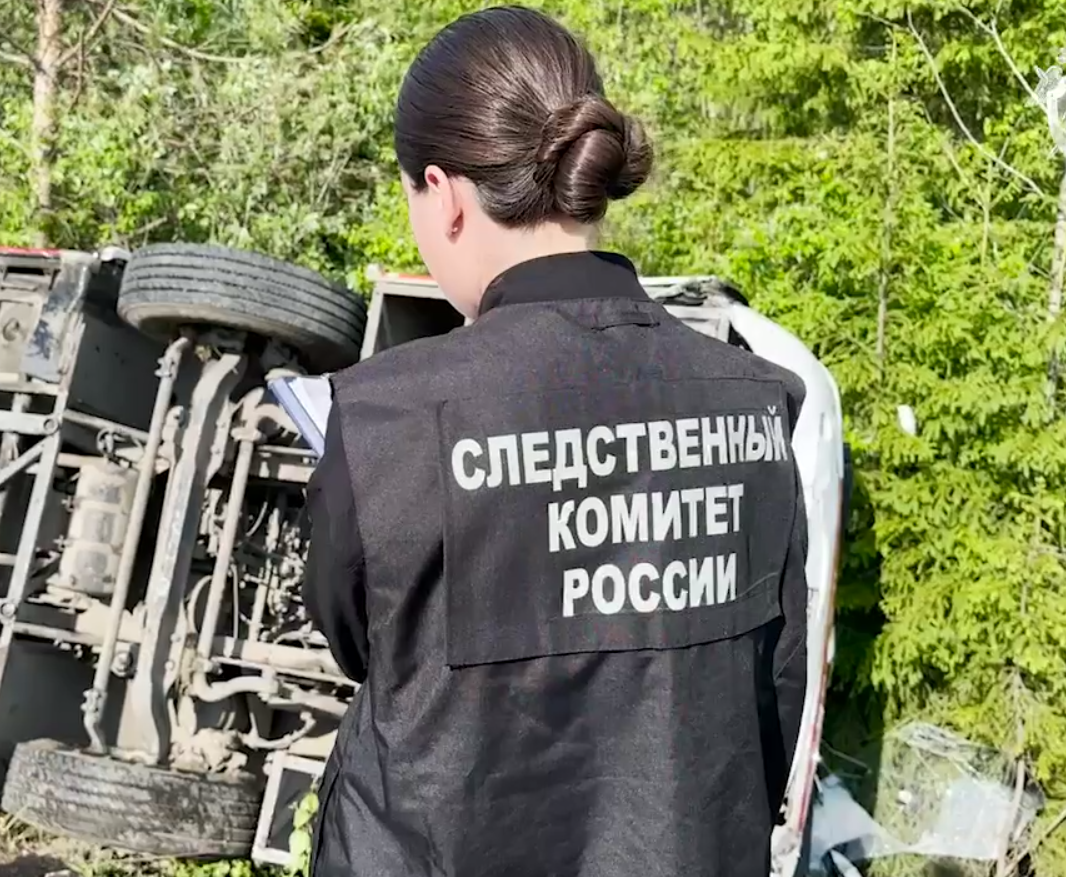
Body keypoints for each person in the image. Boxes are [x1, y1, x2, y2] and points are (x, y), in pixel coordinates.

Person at [301, 6, 809, 876]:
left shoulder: (385, 416)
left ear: (446, 194)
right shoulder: (758, 401)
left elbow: (357, 642)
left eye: (413, 204)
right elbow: (776, 682)